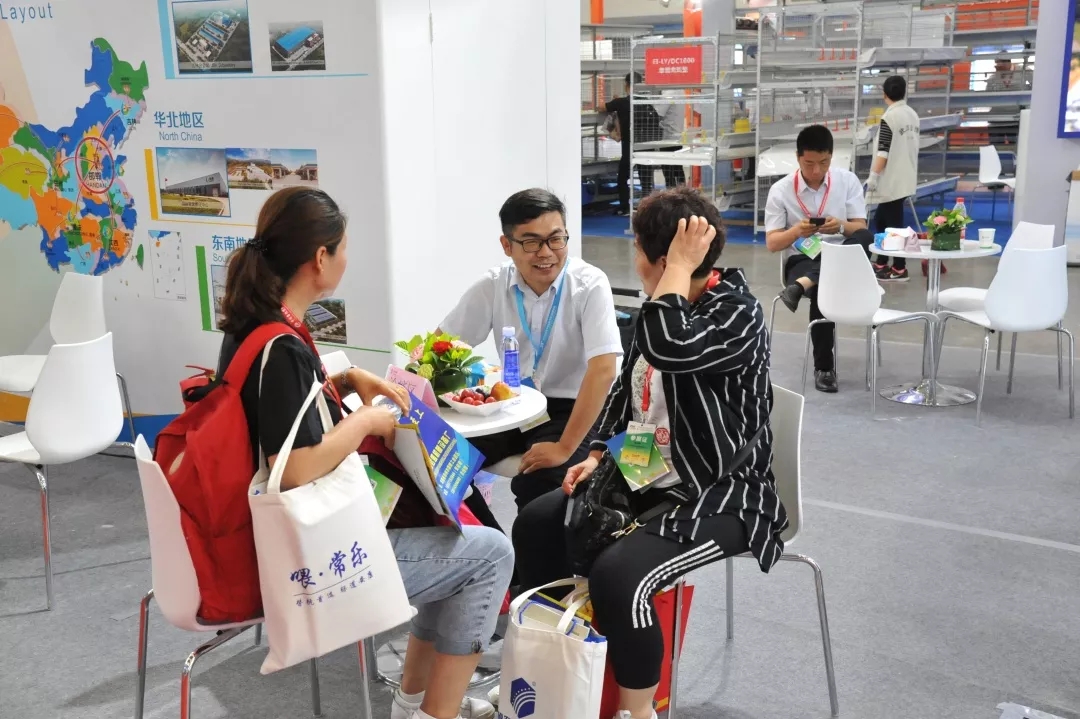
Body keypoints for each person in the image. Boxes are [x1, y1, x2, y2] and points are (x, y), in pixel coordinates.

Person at [217, 186, 512, 719]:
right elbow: (296, 466)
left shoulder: (255, 330)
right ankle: (432, 712)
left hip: (270, 537)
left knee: (460, 551)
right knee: (491, 554)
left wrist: (347, 377)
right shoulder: (282, 348)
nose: (347, 259)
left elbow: (279, 416)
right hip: (307, 554)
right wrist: (366, 421)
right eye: (344, 247)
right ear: (320, 258)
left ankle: (414, 705)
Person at [512, 187, 787, 719]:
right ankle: (559, 669)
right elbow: (628, 393)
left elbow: (669, 348)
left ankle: (638, 711)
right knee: (538, 523)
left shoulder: (737, 313)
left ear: (664, 260)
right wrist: (598, 455)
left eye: (638, 249)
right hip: (648, 471)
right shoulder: (663, 309)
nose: (633, 260)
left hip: (724, 493)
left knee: (621, 575)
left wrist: (676, 270)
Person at [438, 189, 622, 518]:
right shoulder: (493, 285)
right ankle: (492, 545)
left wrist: (564, 447)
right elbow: (441, 348)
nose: (546, 252)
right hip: (513, 404)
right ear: (506, 245)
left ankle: (529, 553)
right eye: (531, 242)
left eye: (556, 239)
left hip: (574, 408)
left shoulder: (589, 284)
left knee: (541, 488)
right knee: (439, 465)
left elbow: (604, 370)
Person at [765, 124, 872, 394]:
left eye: (823, 163)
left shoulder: (847, 181)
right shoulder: (780, 190)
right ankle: (824, 368)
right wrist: (796, 231)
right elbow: (772, 243)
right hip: (801, 259)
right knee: (826, 283)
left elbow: (860, 228)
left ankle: (804, 284)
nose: (816, 171)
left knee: (865, 237)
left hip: (843, 253)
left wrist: (840, 226)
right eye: (809, 163)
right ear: (798, 157)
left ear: (832, 156)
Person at [866, 75, 921, 282]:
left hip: (891, 178)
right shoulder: (912, 115)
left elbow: (883, 151)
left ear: (884, 94)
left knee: (893, 225)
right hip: (906, 174)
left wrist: (873, 176)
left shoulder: (890, 117)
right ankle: (882, 261)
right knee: (882, 220)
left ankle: (899, 267)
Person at [603, 73, 665, 215]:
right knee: (645, 178)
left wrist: (614, 101)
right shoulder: (646, 103)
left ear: (626, 84)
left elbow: (601, 107)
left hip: (629, 147)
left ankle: (624, 207)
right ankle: (648, 209)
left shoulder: (620, 102)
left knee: (622, 177)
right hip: (646, 146)